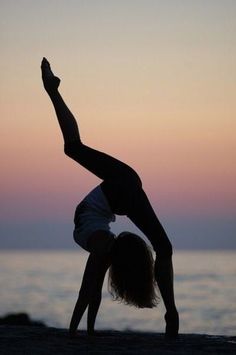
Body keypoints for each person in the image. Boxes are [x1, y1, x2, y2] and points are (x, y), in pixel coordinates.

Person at [41, 58, 179, 338]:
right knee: (163, 248)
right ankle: (171, 312)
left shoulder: (102, 245)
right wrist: (87, 332)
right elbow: (91, 288)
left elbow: (87, 288)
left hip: (122, 190)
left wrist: (74, 334)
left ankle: (53, 91)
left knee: (73, 147)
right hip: (124, 186)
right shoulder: (101, 243)